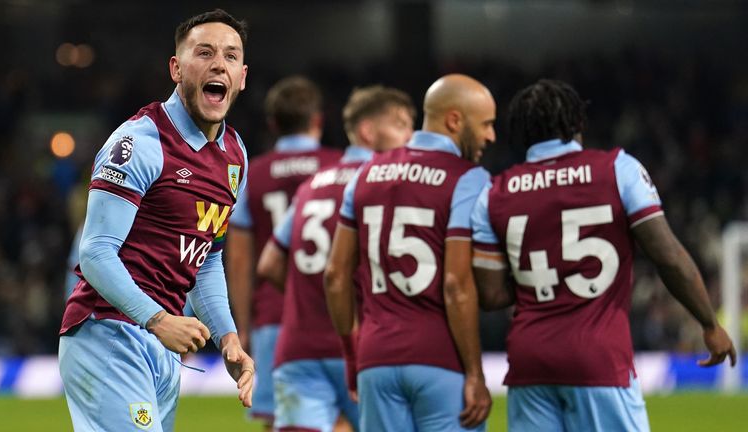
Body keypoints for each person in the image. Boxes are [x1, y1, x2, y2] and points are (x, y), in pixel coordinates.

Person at [470, 79, 737, 432]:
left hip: (529, 362)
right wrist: (709, 323)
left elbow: (489, 295)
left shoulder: (493, 193)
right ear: (578, 123)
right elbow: (667, 256)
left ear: (520, 132)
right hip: (597, 358)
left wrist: (540, 283)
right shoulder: (617, 169)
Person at [58, 9, 255, 431]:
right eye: (204, 52)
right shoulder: (139, 142)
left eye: (230, 55)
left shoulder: (235, 155)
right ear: (176, 67)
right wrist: (159, 319)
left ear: (241, 76)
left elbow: (206, 260)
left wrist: (227, 336)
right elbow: (94, 252)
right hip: (108, 332)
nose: (219, 63)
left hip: (164, 343)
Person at [324, 74, 495, 432]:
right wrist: (476, 374)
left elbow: (335, 276)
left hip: (375, 362)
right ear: (454, 120)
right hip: (441, 361)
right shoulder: (469, 178)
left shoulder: (366, 174)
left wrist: (352, 354)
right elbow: (456, 285)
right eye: (486, 125)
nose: (490, 136)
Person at [257, 85, 416, 432]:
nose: (411, 135)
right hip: (368, 347)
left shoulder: (313, 184)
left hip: (300, 347)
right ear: (367, 131)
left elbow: (268, 263)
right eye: (402, 124)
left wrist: (314, 295)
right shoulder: (386, 184)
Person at [226, 75, 342, 428]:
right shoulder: (342, 167)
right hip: (335, 315)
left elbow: (240, 258)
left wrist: (241, 326)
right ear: (318, 120)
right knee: (344, 415)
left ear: (273, 124)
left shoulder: (253, 175)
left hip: (274, 317)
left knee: (280, 421)